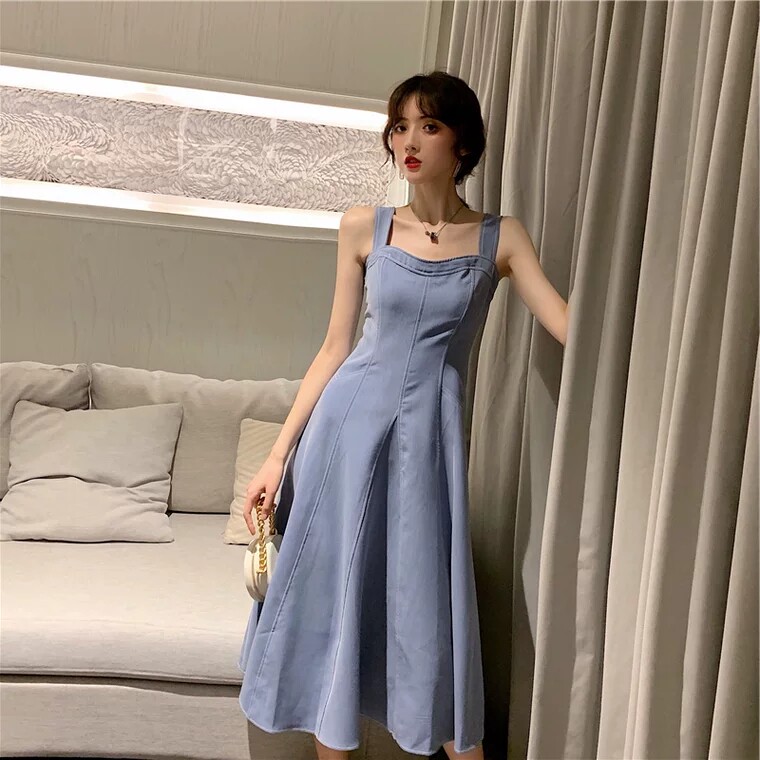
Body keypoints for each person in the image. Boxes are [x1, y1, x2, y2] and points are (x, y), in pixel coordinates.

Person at [237, 70, 569, 760]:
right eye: (399, 127)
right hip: (343, 438)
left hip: (425, 451)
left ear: (462, 144)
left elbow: (569, 327)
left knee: (426, 613)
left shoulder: (500, 238)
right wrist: (276, 456)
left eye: (429, 126)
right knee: (334, 604)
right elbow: (335, 348)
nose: (409, 141)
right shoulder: (364, 226)